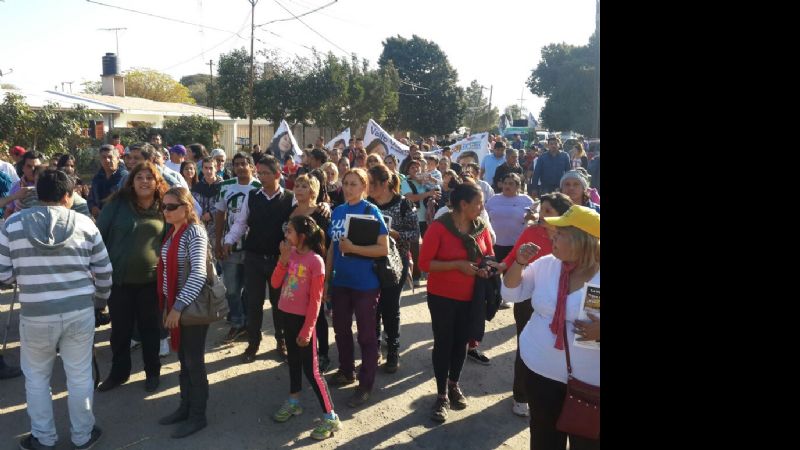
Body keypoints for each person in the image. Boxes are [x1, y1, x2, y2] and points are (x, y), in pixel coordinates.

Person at [0, 169, 110, 450]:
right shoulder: (86, 225)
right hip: (78, 312)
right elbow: (105, 272)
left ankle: (43, 438)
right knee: (79, 375)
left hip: (36, 313)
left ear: (38, 192)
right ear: (67, 195)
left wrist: (22, 277)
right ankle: (83, 435)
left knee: (36, 378)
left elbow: (2, 274)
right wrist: (99, 302)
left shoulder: (11, 225)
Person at [501, 205, 600, 450]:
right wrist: (519, 263)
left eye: (560, 233)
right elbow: (511, 292)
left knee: (587, 441)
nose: (551, 236)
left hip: (590, 382)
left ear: (581, 241)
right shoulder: (547, 264)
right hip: (539, 370)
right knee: (544, 437)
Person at [419, 183, 495, 423]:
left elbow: (488, 257)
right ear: (463, 204)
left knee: (462, 342)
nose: (482, 207)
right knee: (444, 343)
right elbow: (424, 264)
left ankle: (454, 385)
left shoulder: (480, 227)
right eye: (478, 203)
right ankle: (441, 395)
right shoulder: (439, 228)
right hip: (442, 296)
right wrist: (457, 265)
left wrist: (485, 270)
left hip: (471, 297)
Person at [493, 192, 573, 417]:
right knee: (526, 344)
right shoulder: (532, 233)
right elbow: (515, 255)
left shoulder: (574, 239)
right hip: (528, 297)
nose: (541, 215)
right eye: (542, 210)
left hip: (563, 303)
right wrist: (506, 265)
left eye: (548, 212)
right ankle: (521, 395)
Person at [97, 161, 170, 395]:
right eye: (140, 177)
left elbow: (173, 239)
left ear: (157, 182)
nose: (144, 181)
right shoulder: (117, 205)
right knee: (120, 331)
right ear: (132, 181)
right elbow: (98, 237)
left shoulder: (164, 208)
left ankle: (153, 373)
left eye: (149, 177)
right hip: (119, 282)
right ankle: (119, 374)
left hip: (151, 282)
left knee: (151, 330)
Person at [270, 215, 341, 440]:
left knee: (312, 371)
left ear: (302, 236)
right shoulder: (288, 254)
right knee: (293, 361)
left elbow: (316, 301)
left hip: (303, 322)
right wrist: (282, 260)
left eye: (289, 231)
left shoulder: (315, 261)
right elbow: (274, 283)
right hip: (286, 316)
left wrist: (308, 329)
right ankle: (294, 401)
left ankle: (330, 417)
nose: (286, 235)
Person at [325, 168, 389, 408]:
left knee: (366, 335)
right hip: (341, 281)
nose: (349, 188)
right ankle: (346, 370)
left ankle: (365, 385)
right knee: (341, 330)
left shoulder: (371, 212)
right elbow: (333, 247)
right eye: (346, 183)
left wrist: (354, 249)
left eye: (354, 184)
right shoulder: (338, 211)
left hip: (365, 284)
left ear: (364, 187)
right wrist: (327, 279)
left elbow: (382, 249)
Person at [156, 187, 212, 439]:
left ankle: (197, 416)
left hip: (190, 307)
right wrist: (168, 305)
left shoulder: (194, 233)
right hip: (176, 305)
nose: (165, 211)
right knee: (183, 361)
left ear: (187, 208)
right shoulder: (173, 231)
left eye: (171, 206)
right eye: (164, 206)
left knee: (194, 362)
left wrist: (177, 307)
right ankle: (185, 407)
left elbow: (198, 274)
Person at [367, 164, 419, 373]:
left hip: (395, 262)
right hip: (370, 260)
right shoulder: (367, 204)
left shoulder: (404, 204)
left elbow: (415, 235)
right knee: (373, 306)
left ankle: (393, 352)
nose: (368, 187)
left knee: (390, 306)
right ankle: (375, 347)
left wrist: (396, 235)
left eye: (372, 183)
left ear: (385, 183)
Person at [287, 174, 332, 372]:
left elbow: (326, 244)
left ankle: (323, 354)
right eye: (297, 185)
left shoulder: (320, 212)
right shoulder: (290, 211)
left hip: (313, 268)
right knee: (297, 309)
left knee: (317, 312)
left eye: (304, 186)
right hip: (293, 269)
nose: (299, 189)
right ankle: (300, 347)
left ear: (313, 190)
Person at [214, 153, 261, 342]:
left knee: (250, 290)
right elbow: (220, 214)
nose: (240, 167)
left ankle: (249, 325)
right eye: (237, 164)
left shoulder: (259, 186)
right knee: (232, 289)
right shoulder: (226, 186)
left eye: (244, 164)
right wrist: (218, 242)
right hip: (230, 246)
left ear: (251, 166)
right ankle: (237, 323)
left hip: (253, 247)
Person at [192, 157, 223, 253]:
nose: (208, 171)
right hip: (200, 230)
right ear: (202, 169)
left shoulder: (224, 186)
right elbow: (192, 206)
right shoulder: (196, 187)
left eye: (211, 168)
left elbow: (227, 207)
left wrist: (211, 214)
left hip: (218, 231)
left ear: (216, 168)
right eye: (206, 168)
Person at [88, 145, 128, 218]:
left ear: (118, 158)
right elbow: (91, 198)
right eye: (104, 157)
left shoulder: (125, 178)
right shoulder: (97, 178)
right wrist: (93, 208)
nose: (107, 160)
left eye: (110, 157)